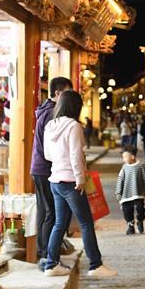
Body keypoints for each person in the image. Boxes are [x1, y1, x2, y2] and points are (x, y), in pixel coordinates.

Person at [43, 90, 117, 278]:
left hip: (56, 180)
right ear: (75, 107)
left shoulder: (50, 125)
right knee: (86, 223)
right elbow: (76, 155)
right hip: (71, 181)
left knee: (60, 223)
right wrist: (81, 179)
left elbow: (47, 155)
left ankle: (51, 264)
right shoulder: (74, 126)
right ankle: (95, 264)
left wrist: (61, 161)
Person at [30, 76, 72, 265]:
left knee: (46, 212)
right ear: (57, 93)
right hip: (45, 168)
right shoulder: (50, 114)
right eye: (67, 93)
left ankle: (45, 252)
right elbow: (51, 148)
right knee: (51, 213)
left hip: (40, 167)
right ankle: (47, 256)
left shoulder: (45, 110)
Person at [115, 145, 145, 235]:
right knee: (127, 210)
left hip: (138, 193)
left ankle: (140, 221)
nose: (123, 159)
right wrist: (118, 192)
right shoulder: (124, 168)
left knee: (141, 209)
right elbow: (120, 179)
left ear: (132, 157)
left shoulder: (141, 166)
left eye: (125, 157)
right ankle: (130, 225)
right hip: (126, 194)